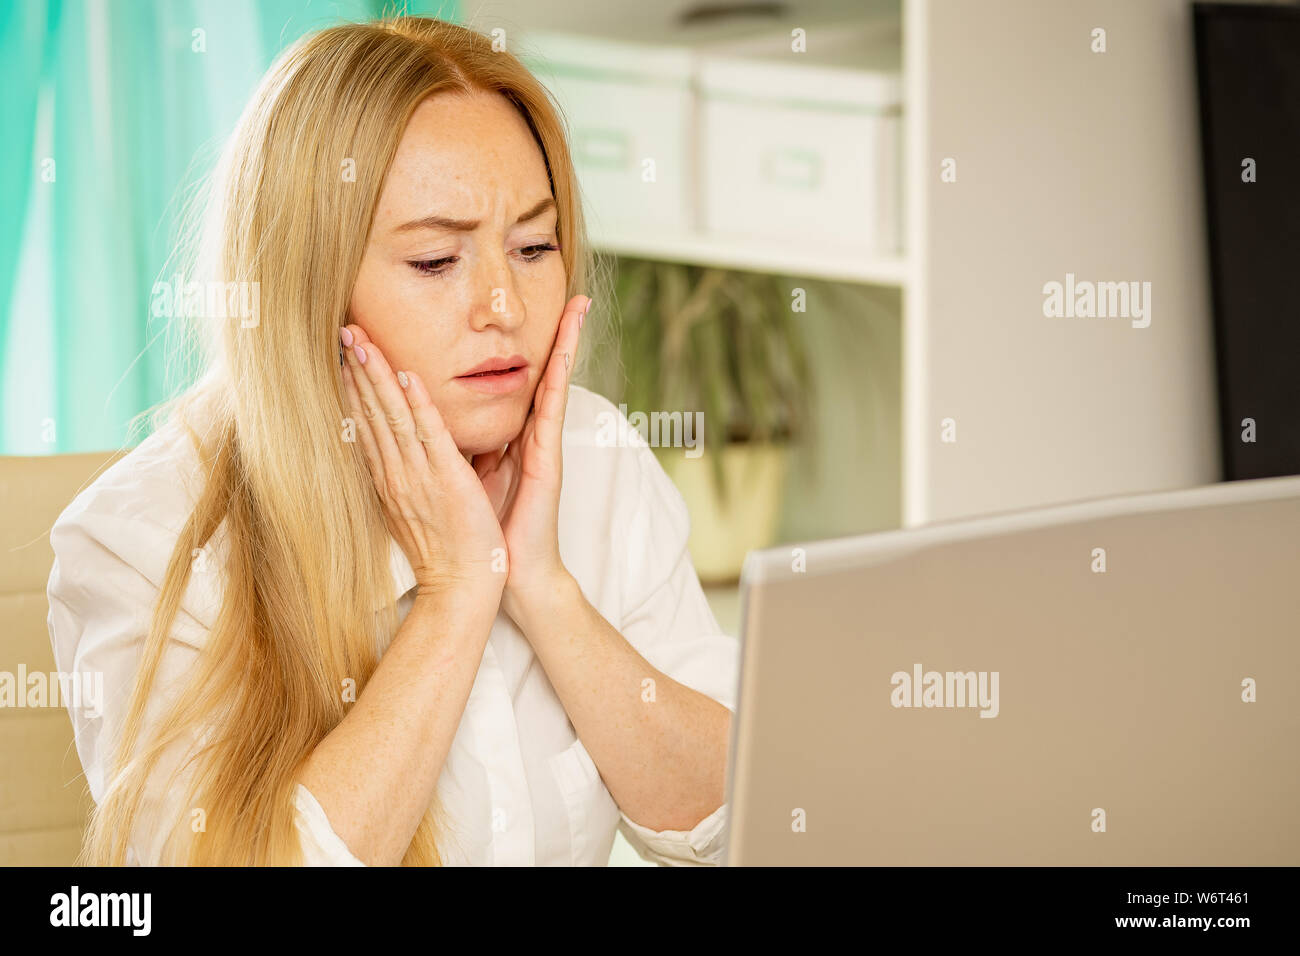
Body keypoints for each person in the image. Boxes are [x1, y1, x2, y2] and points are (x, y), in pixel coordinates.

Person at [45, 15, 737, 866]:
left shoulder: (590, 453)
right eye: (436, 262)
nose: (504, 307)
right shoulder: (143, 543)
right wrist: (454, 598)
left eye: (532, 246)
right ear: (310, 289)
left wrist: (544, 588)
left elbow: (730, 818)